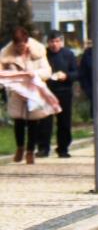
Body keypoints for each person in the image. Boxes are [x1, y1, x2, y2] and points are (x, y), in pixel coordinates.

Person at [1, 27, 54, 164]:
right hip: (16, 90)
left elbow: (47, 71)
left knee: (33, 121)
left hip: (34, 90)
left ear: (27, 43)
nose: (20, 50)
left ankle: (30, 150)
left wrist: (35, 74)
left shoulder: (38, 51)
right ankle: (20, 147)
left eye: (23, 46)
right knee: (18, 120)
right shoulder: (6, 54)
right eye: (18, 47)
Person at [39, 30, 78, 158]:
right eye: (51, 41)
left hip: (64, 91)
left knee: (64, 121)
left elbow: (76, 73)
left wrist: (66, 76)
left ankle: (63, 148)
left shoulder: (69, 54)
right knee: (45, 121)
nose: (54, 44)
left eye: (57, 41)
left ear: (61, 42)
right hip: (47, 91)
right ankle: (43, 148)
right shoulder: (43, 54)